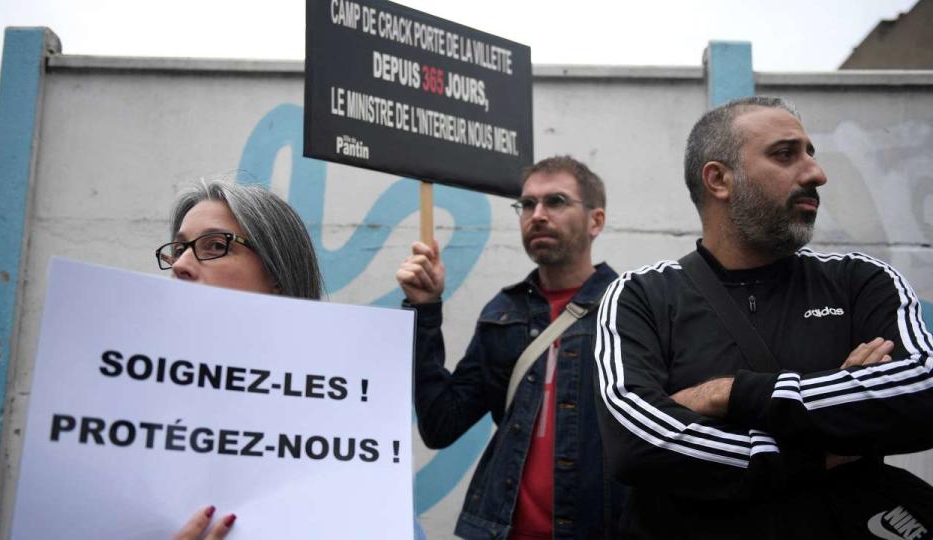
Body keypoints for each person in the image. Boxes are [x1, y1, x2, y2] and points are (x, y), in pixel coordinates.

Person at [593, 96, 933, 537]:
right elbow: (639, 444)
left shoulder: (860, 282)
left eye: (811, 153)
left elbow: (923, 388)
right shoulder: (642, 295)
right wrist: (830, 425)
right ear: (719, 179)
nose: (816, 173)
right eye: (785, 154)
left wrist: (728, 394)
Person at [396, 156, 628, 539]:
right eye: (527, 204)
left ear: (595, 220)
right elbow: (441, 424)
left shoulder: (629, 310)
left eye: (555, 201)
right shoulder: (503, 313)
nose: (537, 214)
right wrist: (425, 309)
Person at [156, 180, 323, 539]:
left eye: (215, 246)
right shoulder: (126, 399)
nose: (181, 265)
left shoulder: (340, 417)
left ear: (277, 274)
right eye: (178, 249)